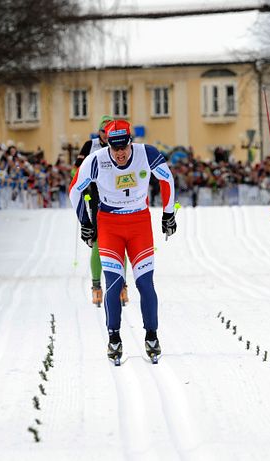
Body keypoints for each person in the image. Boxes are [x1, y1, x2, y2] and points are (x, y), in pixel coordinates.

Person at [69, 119, 176, 364]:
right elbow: (75, 189)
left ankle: (151, 336)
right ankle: (114, 338)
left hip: (139, 224)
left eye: (123, 147)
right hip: (109, 225)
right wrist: (85, 222)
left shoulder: (146, 153)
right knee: (114, 284)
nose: (119, 153)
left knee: (145, 283)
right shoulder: (96, 160)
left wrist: (169, 214)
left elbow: (167, 179)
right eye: (114, 148)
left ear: (130, 141)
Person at [75, 115, 130, 307]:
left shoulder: (120, 146)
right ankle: (96, 286)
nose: (108, 136)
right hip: (95, 196)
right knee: (99, 241)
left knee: (121, 241)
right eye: (104, 132)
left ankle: (122, 285)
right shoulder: (90, 145)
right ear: (100, 132)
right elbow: (77, 170)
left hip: (119, 198)